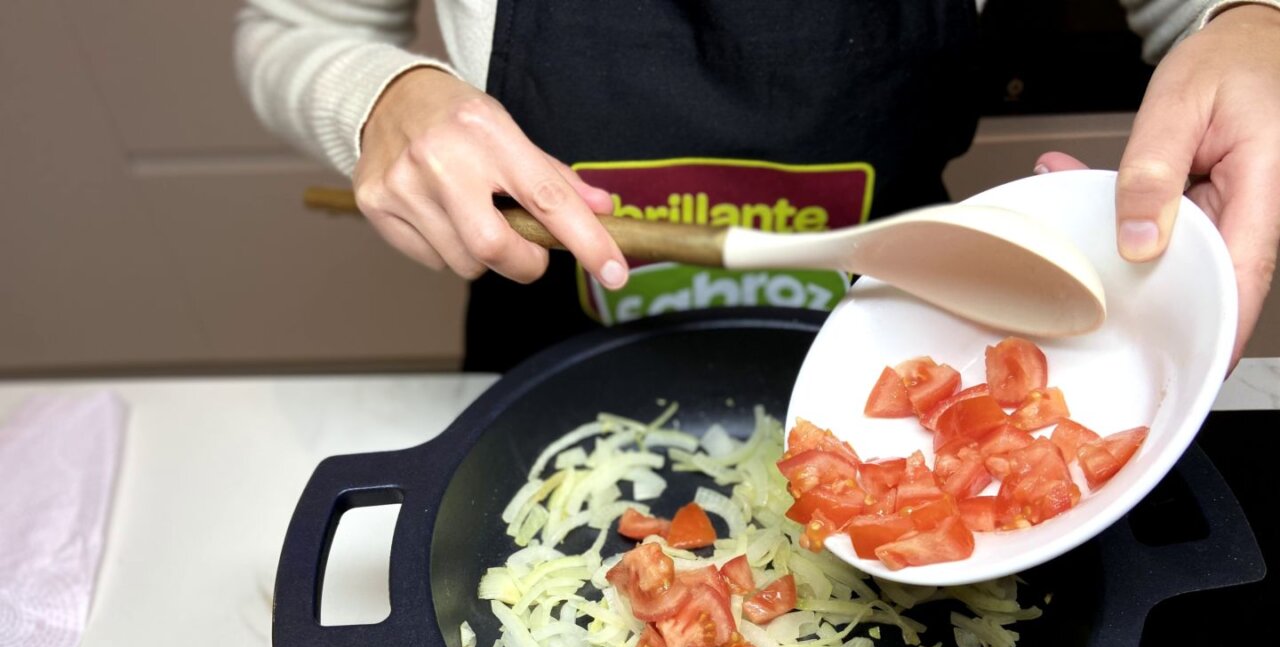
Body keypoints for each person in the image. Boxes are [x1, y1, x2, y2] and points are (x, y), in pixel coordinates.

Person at [235, 1, 1280, 371]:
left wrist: (1247, 24)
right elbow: (292, 28)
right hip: (554, 351)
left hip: (908, 349)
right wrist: (383, 96)